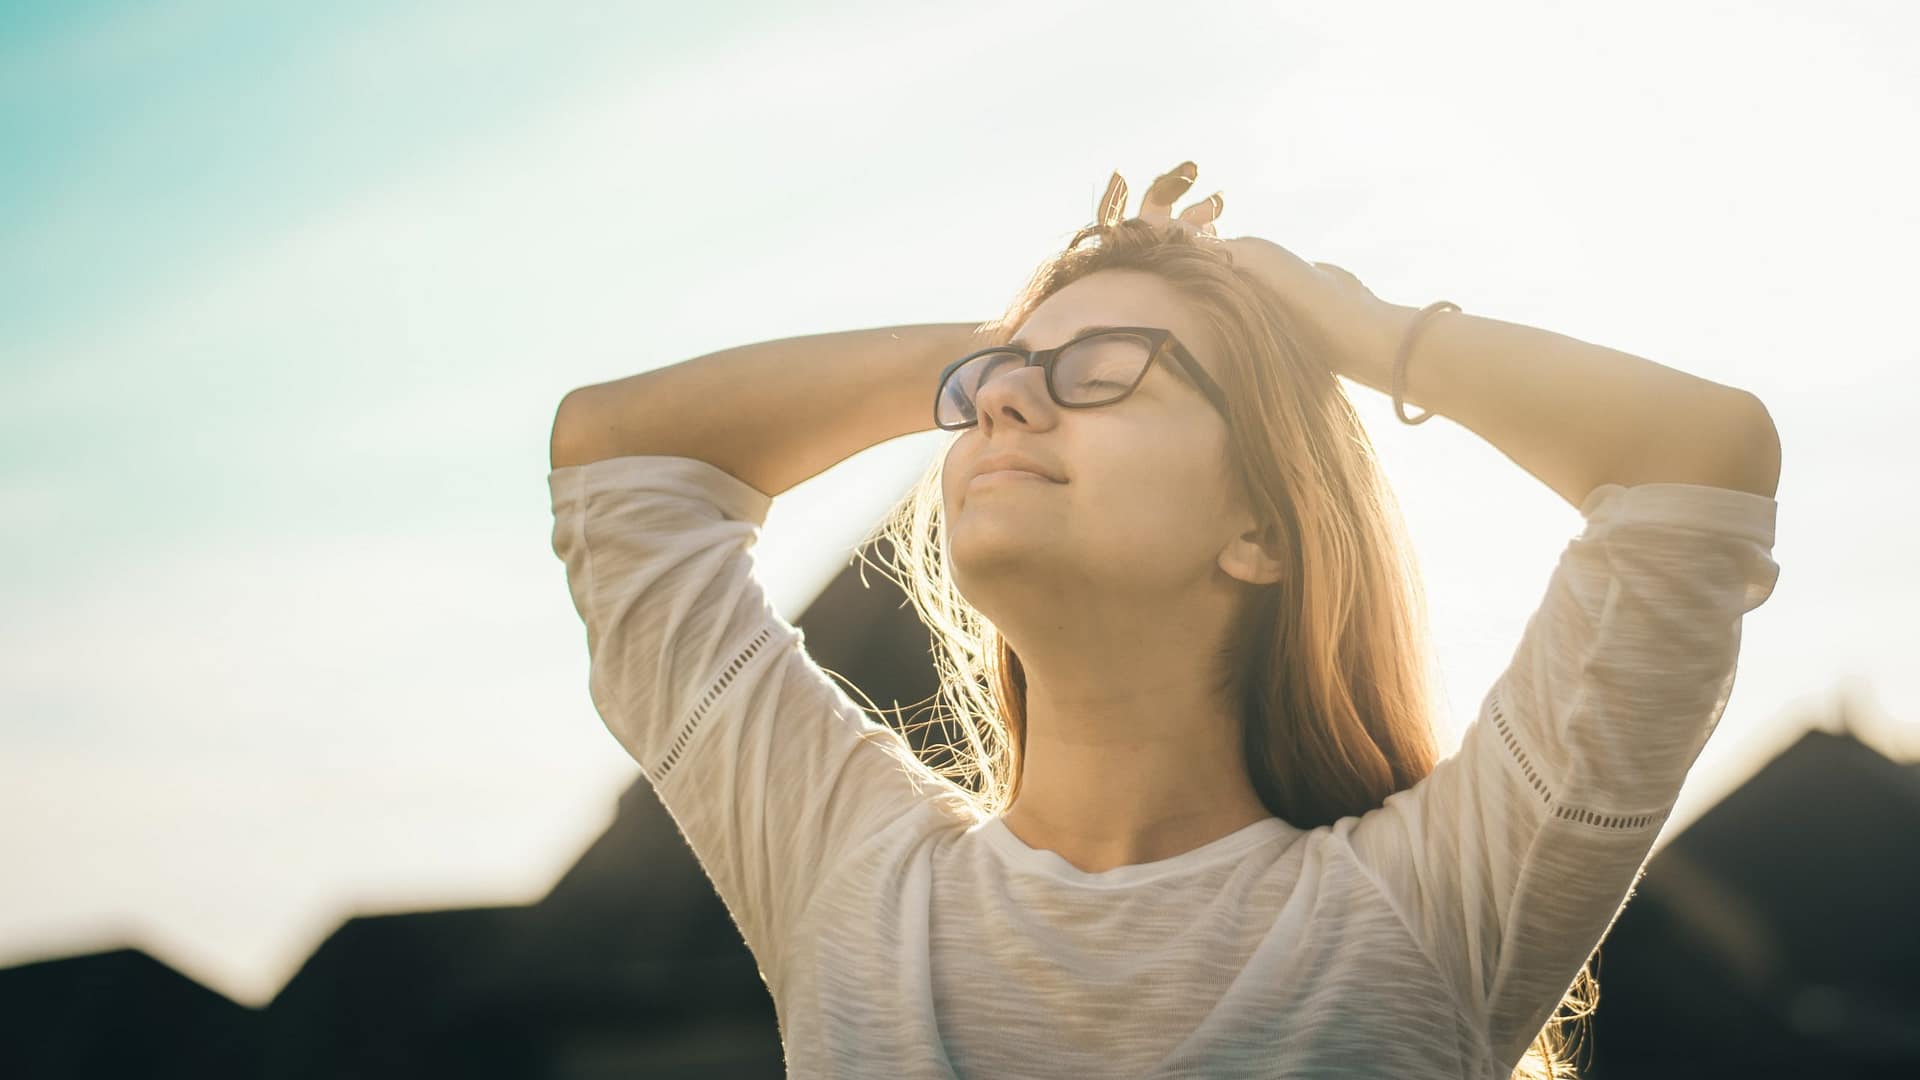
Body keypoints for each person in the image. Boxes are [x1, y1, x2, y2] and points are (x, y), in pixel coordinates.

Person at [547, 160, 1781, 1078]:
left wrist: (1359, 332)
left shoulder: (1432, 904)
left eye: (1104, 373)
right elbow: (617, 454)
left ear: (1264, 530)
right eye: (990, 392)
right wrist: (1015, 333)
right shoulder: (848, 877)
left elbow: (1699, 461)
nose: (1009, 409)